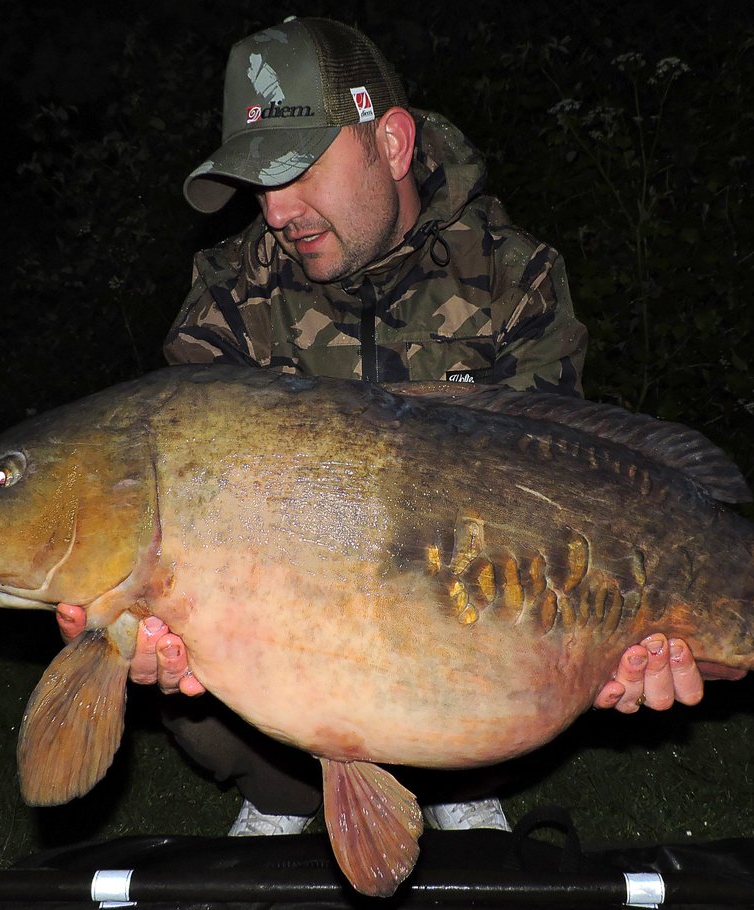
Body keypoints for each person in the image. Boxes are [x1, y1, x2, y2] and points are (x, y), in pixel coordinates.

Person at [58, 16, 704, 838]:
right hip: (296, 646)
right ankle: (286, 795)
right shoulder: (228, 294)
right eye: (259, 182)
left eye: (297, 170)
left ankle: (459, 781)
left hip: (471, 629)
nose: (278, 210)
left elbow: (569, 489)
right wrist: (138, 617)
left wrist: (622, 635)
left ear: (392, 144)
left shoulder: (512, 276)